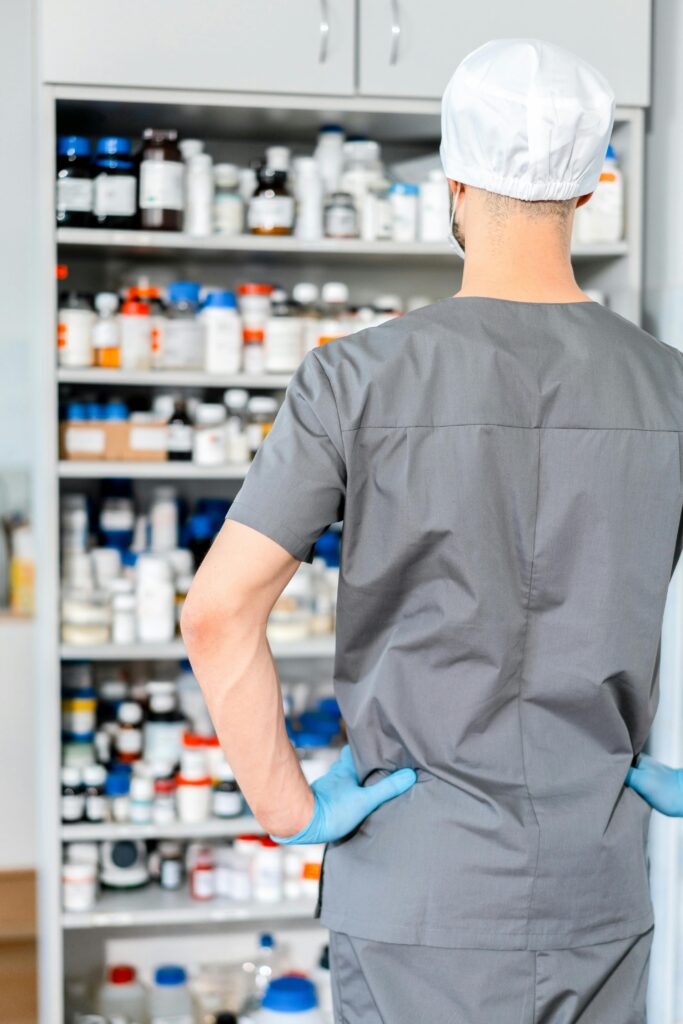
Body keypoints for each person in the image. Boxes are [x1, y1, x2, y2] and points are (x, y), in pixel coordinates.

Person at [182, 38, 683, 1024]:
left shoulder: (353, 378)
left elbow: (216, 614)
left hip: (414, 888)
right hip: (597, 885)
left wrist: (289, 808)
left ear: (453, 184)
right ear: (587, 192)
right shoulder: (667, 389)